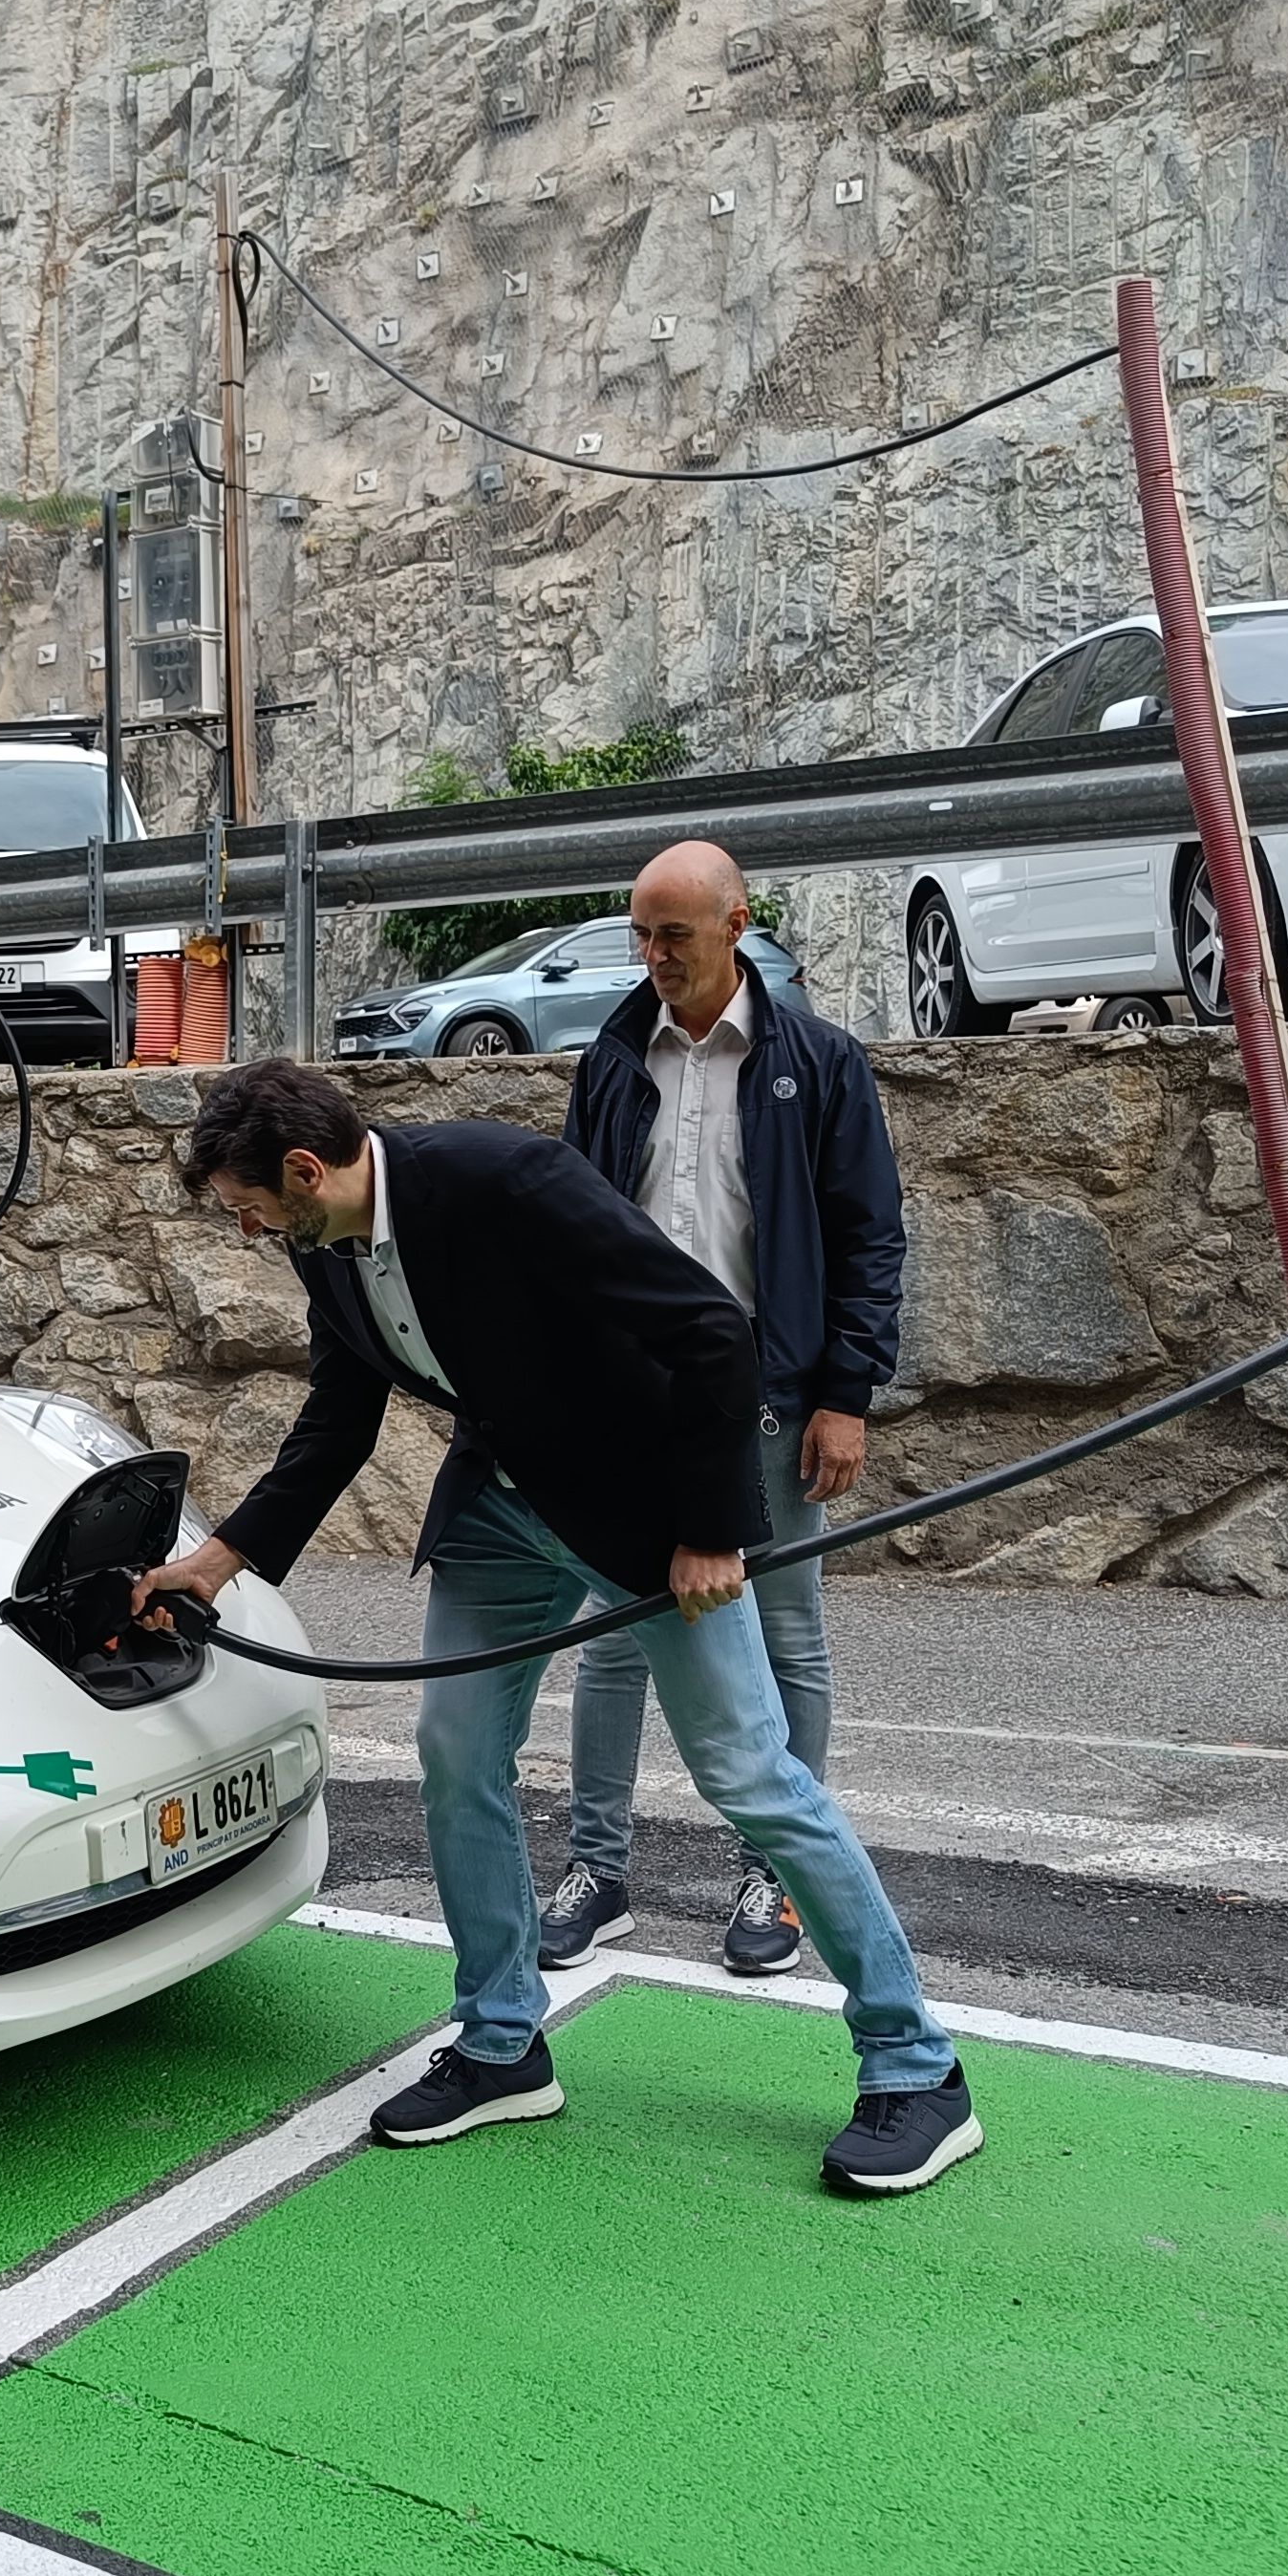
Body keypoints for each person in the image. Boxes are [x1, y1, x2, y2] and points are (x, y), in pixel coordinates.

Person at [135, 1056, 977, 2195]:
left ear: (302, 1169)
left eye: (247, 1212)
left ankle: (916, 2068)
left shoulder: (502, 1178)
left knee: (750, 1776)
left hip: (641, 1514)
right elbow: (338, 1419)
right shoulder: (322, 1243)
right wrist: (215, 1563)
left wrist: (712, 1529)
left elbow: (709, 1334)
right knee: (455, 1755)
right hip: (500, 1507)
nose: (248, 1235)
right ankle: (500, 2046)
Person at [547, 843, 904, 1980]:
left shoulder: (819, 1062)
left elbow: (867, 1238)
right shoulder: (609, 1059)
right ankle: (597, 1871)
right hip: (625, 1396)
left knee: (784, 1632)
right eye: (639, 937)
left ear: (736, 925)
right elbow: (569, 1225)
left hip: (770, 1396)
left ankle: (777, 1876)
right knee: (609, 1644)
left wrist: (843, 1394)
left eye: (674, 936)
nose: (653, 959)